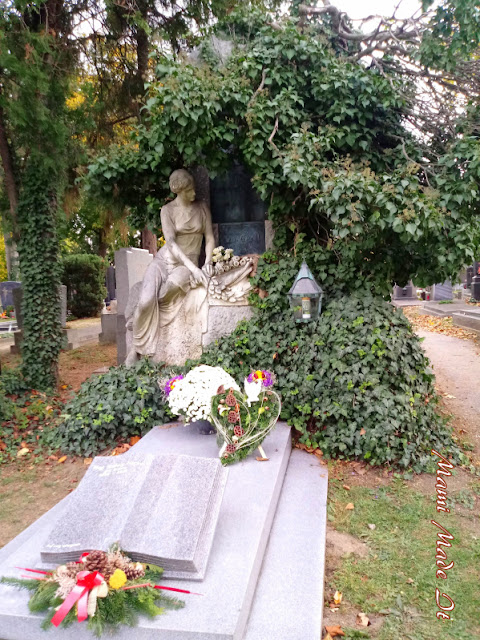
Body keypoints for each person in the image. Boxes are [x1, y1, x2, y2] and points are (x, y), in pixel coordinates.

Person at [126, 169, 215, 364]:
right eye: (190, 190)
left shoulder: (202, 208)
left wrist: (207, 264)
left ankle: (149, 321)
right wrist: (194, 269)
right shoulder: (167, 211)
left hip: (184, 267)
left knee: (171, 289)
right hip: (164, 261)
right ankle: (136, 347)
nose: (194, 193)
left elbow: (209, 238)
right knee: (146, 300)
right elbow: (171, 244)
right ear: (180, 191)